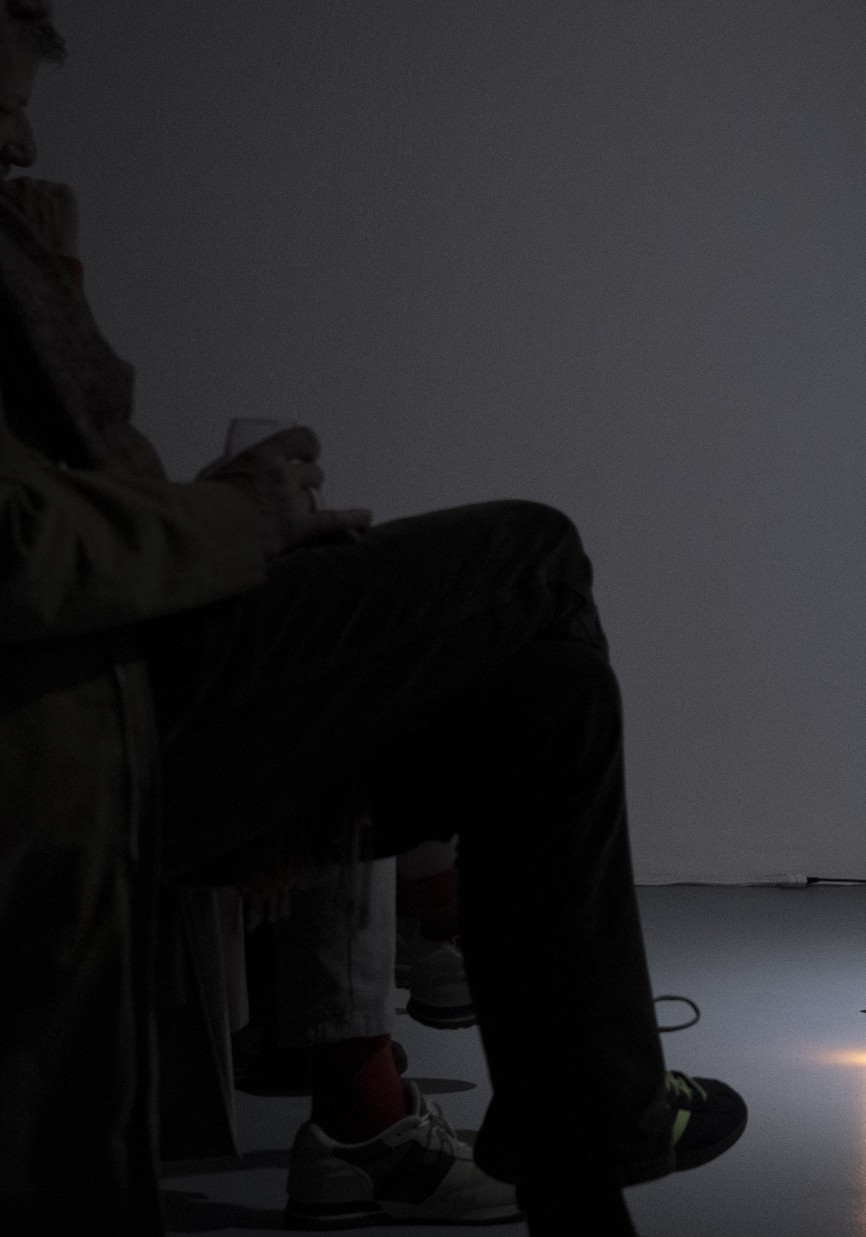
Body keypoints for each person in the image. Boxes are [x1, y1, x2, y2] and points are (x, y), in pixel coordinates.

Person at [0, 7, 743, 1233]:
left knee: (550, 699)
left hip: (130, 672)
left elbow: (64, 501)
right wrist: (233, 521)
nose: (25, 144)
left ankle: (577, 1180)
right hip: (95, 712)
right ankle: (583, 1099)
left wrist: (224, 515)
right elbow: (20, 546)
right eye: (4, 111)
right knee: (535, 551)